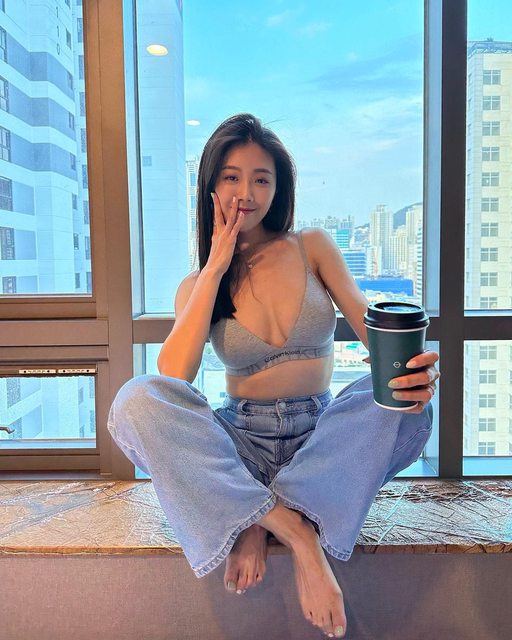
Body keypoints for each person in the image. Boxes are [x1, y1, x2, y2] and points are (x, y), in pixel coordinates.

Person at [107, 113, 440, 639]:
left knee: (406, 408)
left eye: (261, 178)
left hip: (320, 438)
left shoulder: (312, 246)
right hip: (240, 441)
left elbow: (373, 335)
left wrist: (411, 374)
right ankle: (293, 526)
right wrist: (215, 267)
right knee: (136, 400)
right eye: (232, 177)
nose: (247, 192)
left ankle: (255, 513)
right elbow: (174, 377)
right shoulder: (198, 283)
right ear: (210, 186)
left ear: (278, 187)